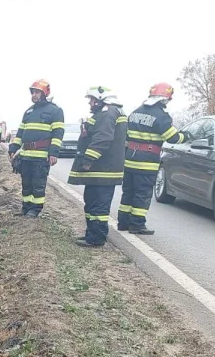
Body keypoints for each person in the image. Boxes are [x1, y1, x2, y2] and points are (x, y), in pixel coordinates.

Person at [118, 82, 189, 234]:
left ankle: (123, 222)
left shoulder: (136, 112)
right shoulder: (161, 116)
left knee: (128, 191)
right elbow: (172, 137)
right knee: (142, 193)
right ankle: (137, 224)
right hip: (147, 162)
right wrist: (186, 136)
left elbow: (126, 133)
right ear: (165, 99)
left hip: (130, 158)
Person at [69, 86, 128, 247]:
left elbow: (103, 138)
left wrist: (88, 158)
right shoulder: (108, 112)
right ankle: (91, 235)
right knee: (92, 202)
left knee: (99, 206)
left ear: (102, 98)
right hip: (100, 170)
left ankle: (97, 238)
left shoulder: (108, 112)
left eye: (93, 99)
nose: (90, 103)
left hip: (103, 170)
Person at [8, 79, 65, 218]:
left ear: (45, 93)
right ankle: (25, 208)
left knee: (38, 184)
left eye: (37, 92)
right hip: (26, 155)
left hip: (41, 157)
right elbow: (20, 133)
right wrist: (13, 148)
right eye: (32, 92)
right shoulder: (28, 111)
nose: (34, 94)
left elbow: (58, 134)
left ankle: (35, 209)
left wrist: (53, 153)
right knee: (26, 183)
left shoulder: (55, 111)